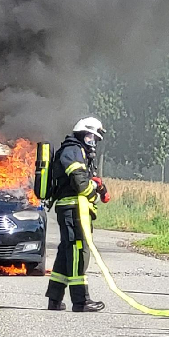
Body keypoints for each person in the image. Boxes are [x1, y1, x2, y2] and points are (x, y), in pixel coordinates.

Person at [45, 117, 109, 312]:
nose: (93, 142)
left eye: (95, 139)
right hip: (73, 210)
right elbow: (80, 184)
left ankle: (55, 299)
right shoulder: (73, 150)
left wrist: (97, 186)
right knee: (77, 251)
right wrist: (94, 190)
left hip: (72, 209)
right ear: (82, 134)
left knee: (66, 252)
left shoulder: (76, 150)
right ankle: (80, 301)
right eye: (91, 137)